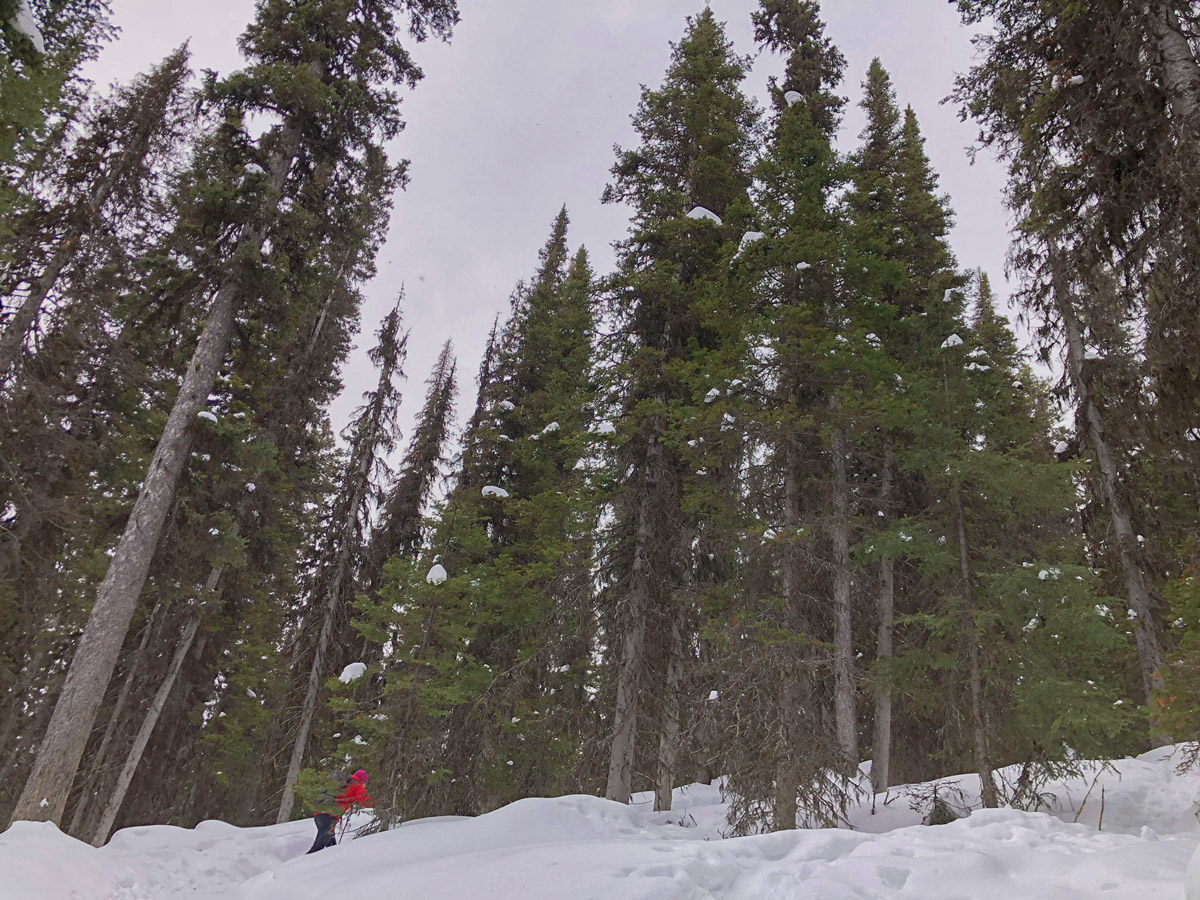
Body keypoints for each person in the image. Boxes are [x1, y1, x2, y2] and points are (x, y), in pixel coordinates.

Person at [306, 769, 375, 854]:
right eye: (365, 784)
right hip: (329, 816)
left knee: (331, 845)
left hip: (319, 815)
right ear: (363, 781)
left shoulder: (346, 783)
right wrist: (379, 805)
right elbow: (365, 800)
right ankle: (302, 862)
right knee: (319, 845)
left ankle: (329, 863)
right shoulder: (357, 786)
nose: (365, 786)